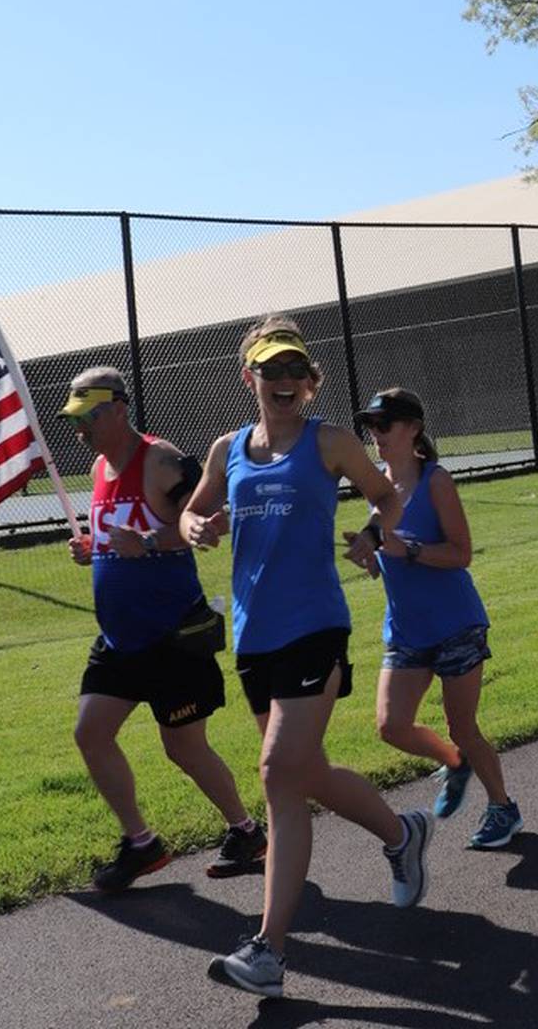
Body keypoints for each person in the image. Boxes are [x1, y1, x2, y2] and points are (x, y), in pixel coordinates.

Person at [182, 318, 430, 998]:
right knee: (304, 772)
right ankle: (400, 832)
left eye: (295, 371)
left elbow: (390, 492)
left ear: (309, 380)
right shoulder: (227, 448)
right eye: (270, 371)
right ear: (250, 378)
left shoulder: (330, 442)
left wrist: (375, 536)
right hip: (253, 634)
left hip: (314, 626)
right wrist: (194, 526)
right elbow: (193, 513)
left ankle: (268, 950)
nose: (284, 382)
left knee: (277, 776)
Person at [63, 368, 265, 892]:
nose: (80, 428)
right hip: (119, 638)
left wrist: (150, 543)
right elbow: (119, 538)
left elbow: (212, 523)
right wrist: (96, 549)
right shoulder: (98, 468)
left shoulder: (161, 459)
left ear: (119, 409)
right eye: (76, 419)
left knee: (183, 749)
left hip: (171, 636)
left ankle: (246, 832)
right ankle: (141, 843)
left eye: (89, 416)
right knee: (90, 732)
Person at [354, 387, 522, 849]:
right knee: (391, 726)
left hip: (455, 624)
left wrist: (404, 549)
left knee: (463, 727)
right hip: (406, 629)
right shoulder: (378, 486)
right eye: (369, 426)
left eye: (383, 425)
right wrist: (371, 557)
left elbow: (461, 553)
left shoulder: (436, 481)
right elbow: (389, 550)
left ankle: (503, 809)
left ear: (413, 428)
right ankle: (454, 761)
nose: (375, 435)